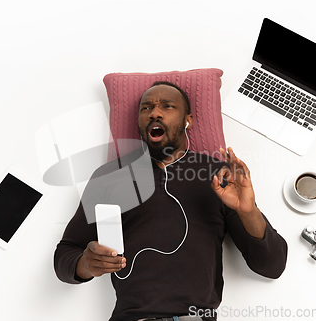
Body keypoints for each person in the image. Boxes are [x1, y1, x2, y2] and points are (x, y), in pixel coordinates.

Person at [54, 81, 288, 321]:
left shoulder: (217, 175)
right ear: (139, 125)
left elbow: (272, 266)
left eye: (167, 106)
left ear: (189, 120)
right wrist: (86, 264)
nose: (154, 112)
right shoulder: (109, 176)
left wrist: (248, 211)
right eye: (146, 108)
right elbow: (63, 257)